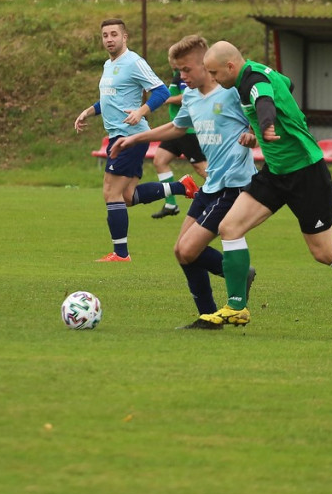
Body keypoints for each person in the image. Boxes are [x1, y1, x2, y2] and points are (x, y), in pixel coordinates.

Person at [195, 41, 332, 328]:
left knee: (323, 252)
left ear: (231, 66)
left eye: (215, 73)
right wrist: (266, 123)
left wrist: (267, 124)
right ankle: (236, 307)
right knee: (229, 228)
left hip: (306, 173)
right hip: (275, 173)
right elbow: (286, 85)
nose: (213, 79)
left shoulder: (252, 81)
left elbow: (263, 101)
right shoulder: (259, 72)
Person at [110, 35, 258, 329]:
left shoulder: (230, 92)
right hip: (212, 184)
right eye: (178, 70)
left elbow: (262, 111)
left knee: (189, 250)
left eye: (187, 69)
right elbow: (177, 128)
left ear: (205, 64)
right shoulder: (190, 96)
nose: (182, 76)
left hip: (234, 185)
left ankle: (237, 275)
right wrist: (136, 137)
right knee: (182, 251)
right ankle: (209, 313)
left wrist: (253, 131)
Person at [73, 19, 198, 262]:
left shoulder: (133, 62)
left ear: (124, 37)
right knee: (127, 196)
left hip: (128, 137)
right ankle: (181, 187)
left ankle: (121, 254)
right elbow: (111, 100)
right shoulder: (109, 65)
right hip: (117, 136)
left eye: (114, 34)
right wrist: (88, 111)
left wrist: (141, 111)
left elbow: (161, 91)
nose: (109, 39)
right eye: (105, 35)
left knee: (111, 193)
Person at [149, 68, 208, 219]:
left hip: (187, 130)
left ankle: (226, 194)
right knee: (160, 160)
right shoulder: (178, 75)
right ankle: (171, 204)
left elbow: (186, 96)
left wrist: (166, 99)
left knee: (201, 168)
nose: (171, 62)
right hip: (175, 129)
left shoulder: (187, 74)